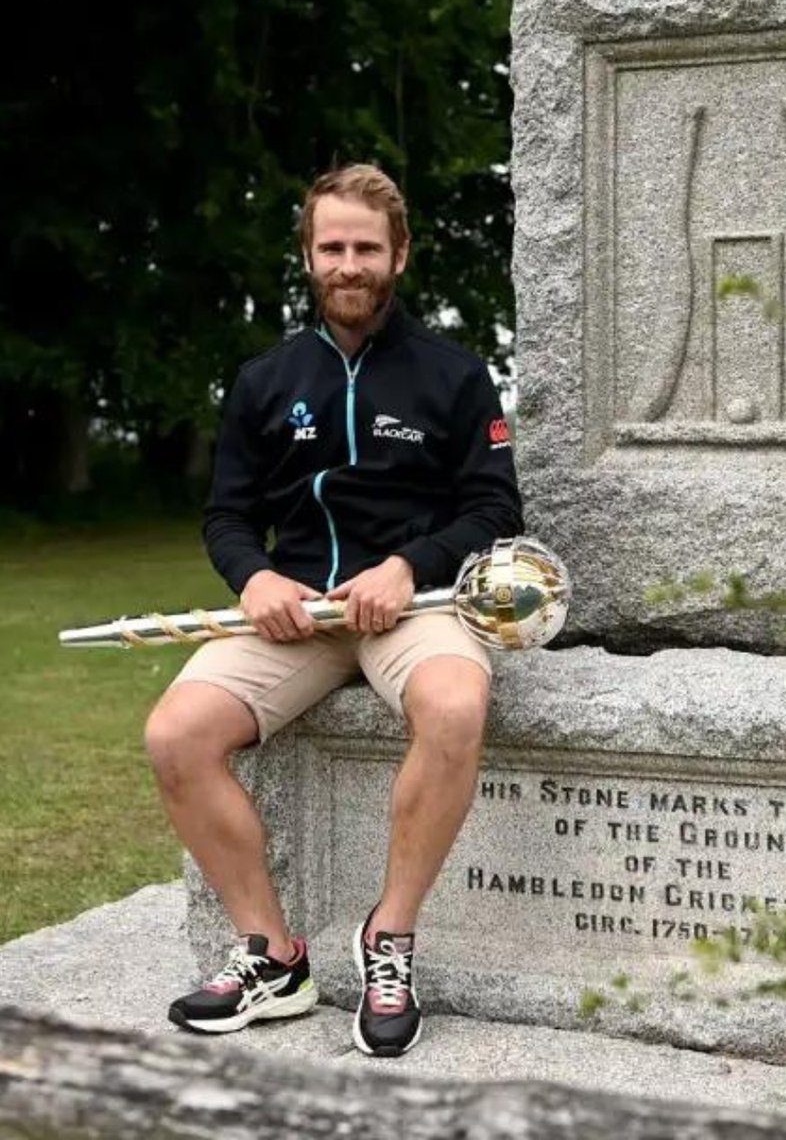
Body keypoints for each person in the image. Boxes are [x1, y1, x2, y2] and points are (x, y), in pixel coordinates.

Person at [144, 163, 523, 1057]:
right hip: (298, 614)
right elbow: (228, 515)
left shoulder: (456, 376)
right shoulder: (266, 379)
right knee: (175, 736)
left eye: (365, 247)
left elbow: (494, 511)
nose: (347, 264)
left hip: (419, 604)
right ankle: (273, 958)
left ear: (399, 256)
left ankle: (388, 939)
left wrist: (407, 565)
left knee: (457, 707)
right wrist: (254, 580)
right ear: (309, 257)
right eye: (331, 247)